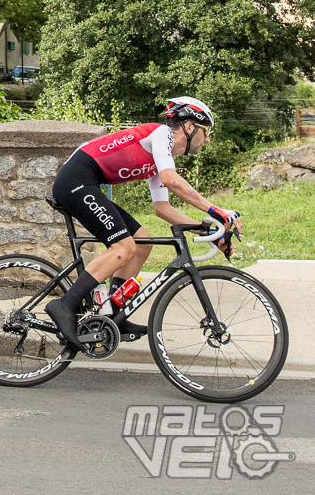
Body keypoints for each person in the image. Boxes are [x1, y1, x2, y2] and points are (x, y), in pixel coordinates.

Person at [44, 97, 241, 351]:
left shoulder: (162, 155)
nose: (208, 139)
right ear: (190, 127)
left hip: (87, 182)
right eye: (207, 132)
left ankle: (114, 314)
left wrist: (208, 229)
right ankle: (65, 305)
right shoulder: (161, 134)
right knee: (123, 248)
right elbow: (172, 180)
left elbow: (163, 209)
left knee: (142, 241)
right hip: (75, 181)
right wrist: (217, 211)